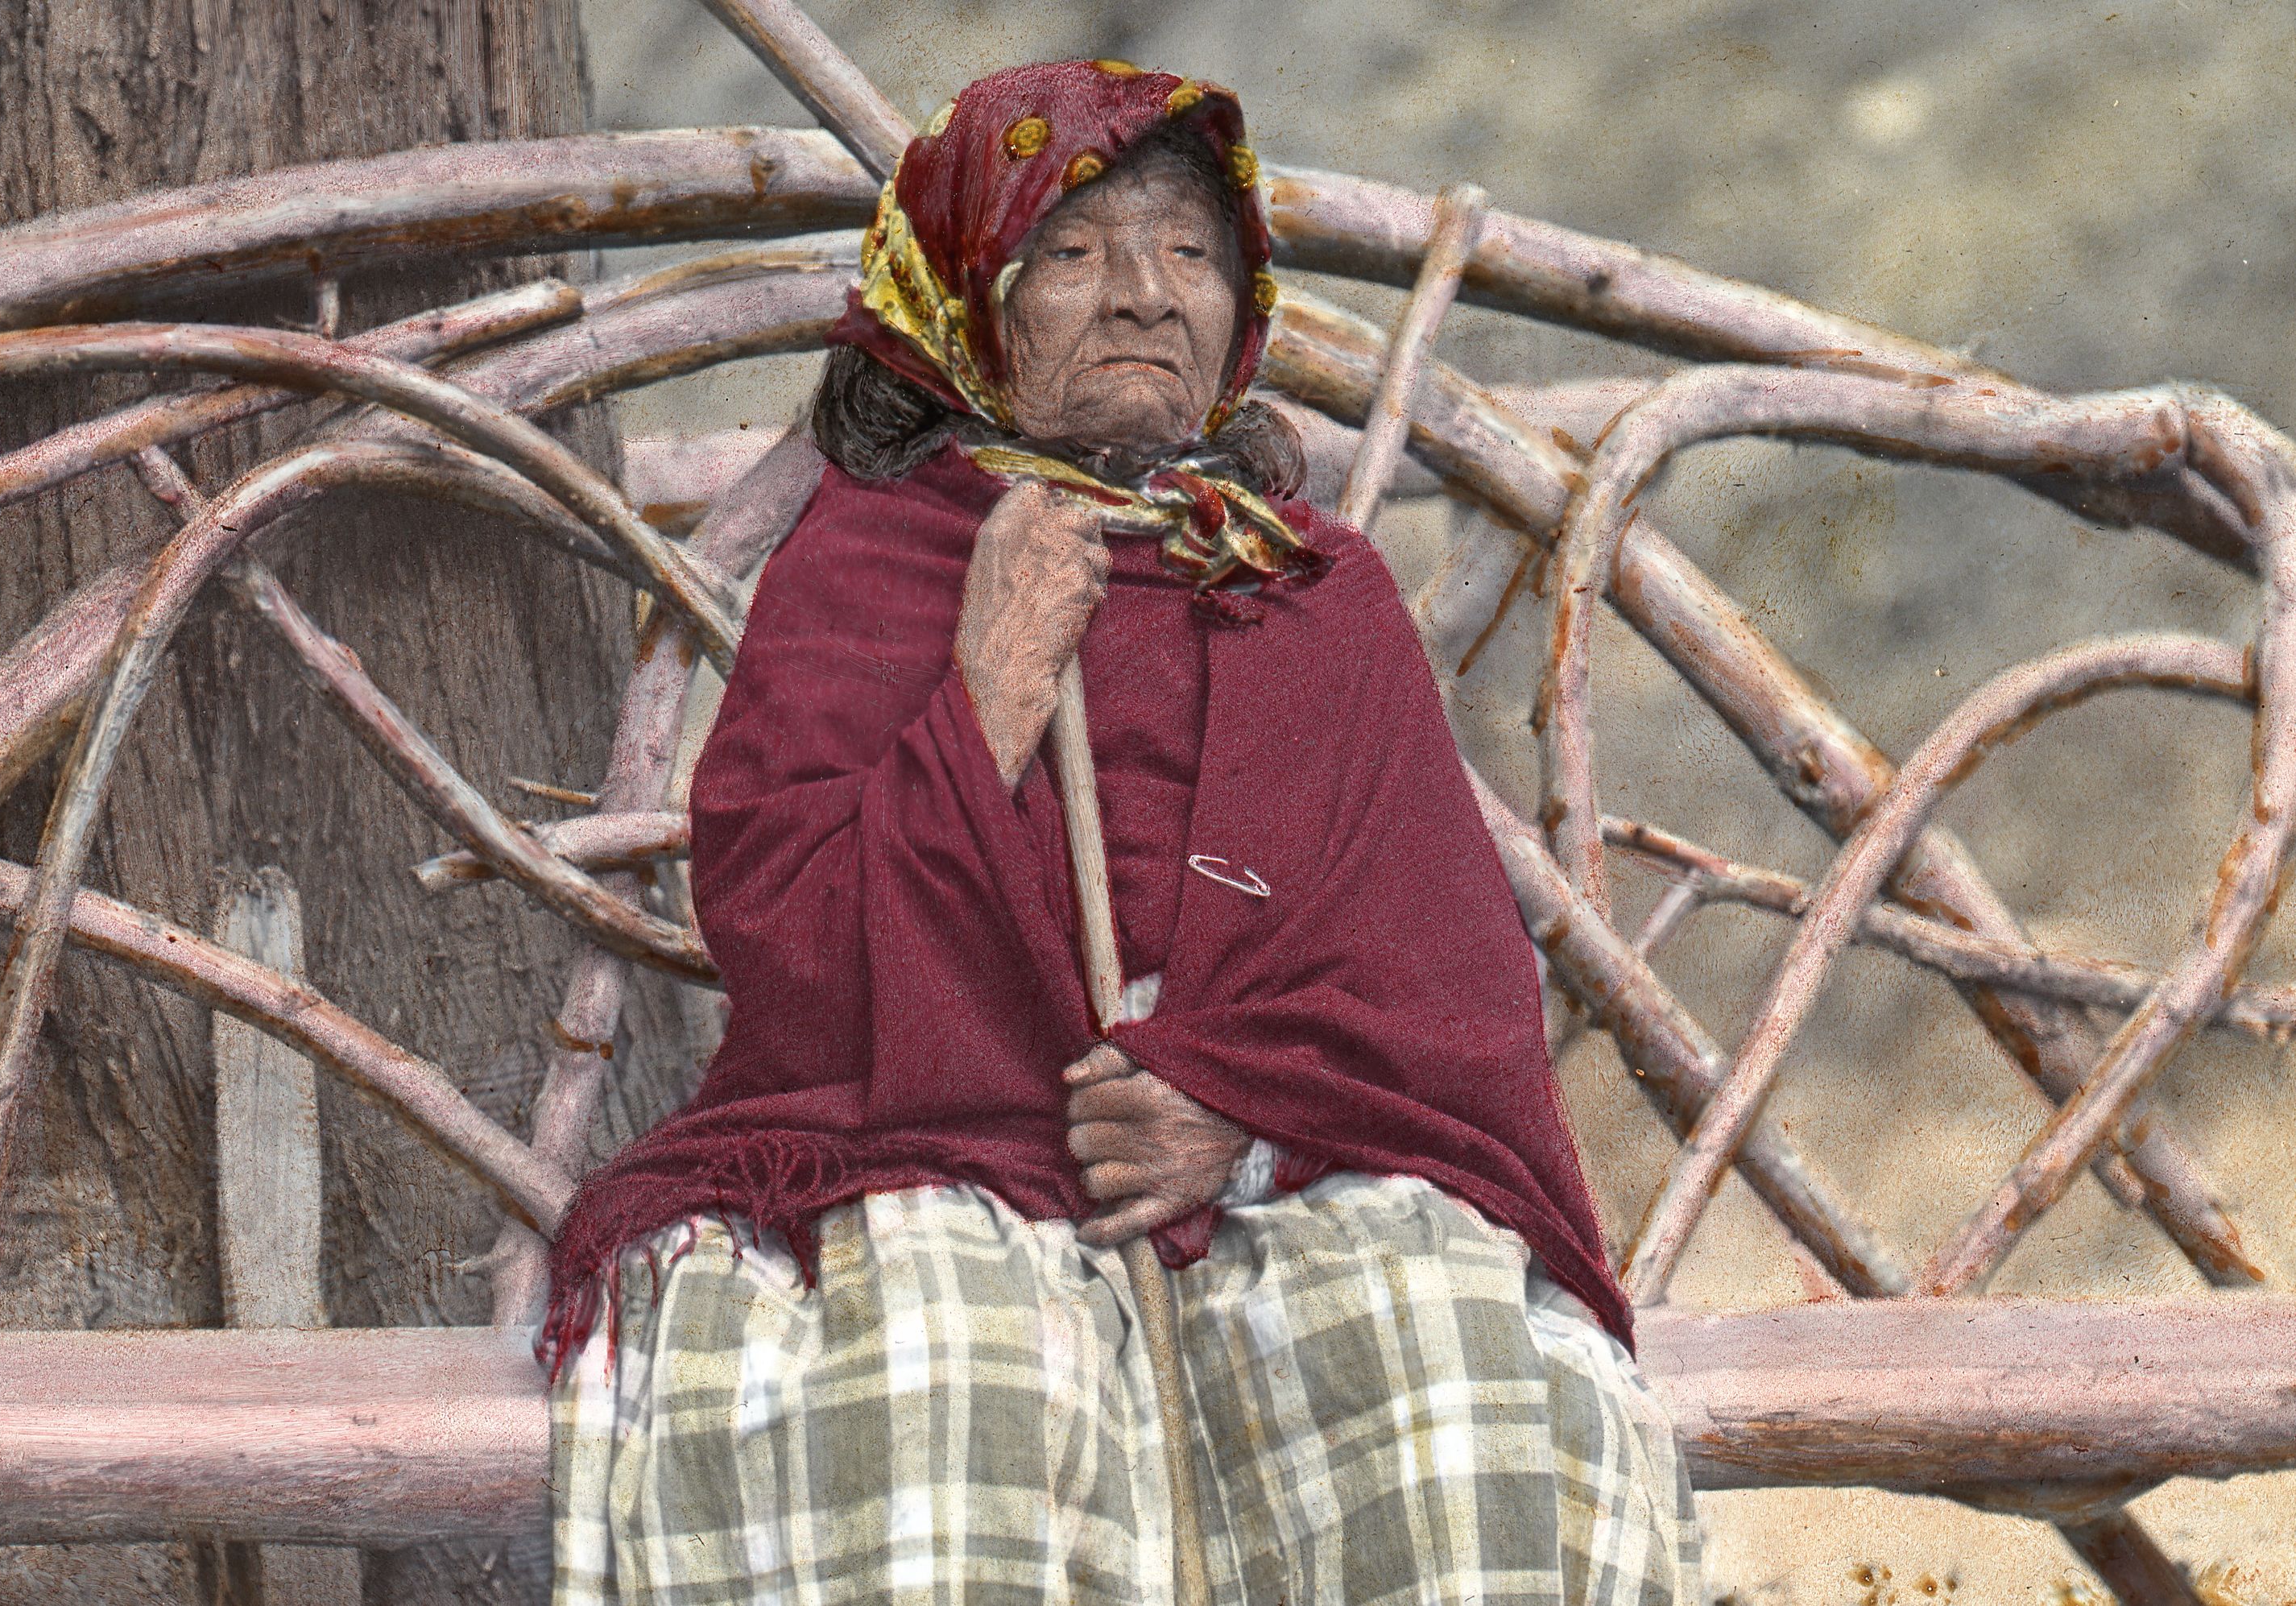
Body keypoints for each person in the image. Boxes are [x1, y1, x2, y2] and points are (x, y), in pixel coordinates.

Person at [543, 59, 1698, 1605]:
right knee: (948, 1385)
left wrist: (1241, 1117)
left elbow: (1447, 1001)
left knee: (1444, 1377)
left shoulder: (1311, 589)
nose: (1147, 299)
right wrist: (991, 684)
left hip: (1279, 1176)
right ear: (967, 305)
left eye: (1192, 253)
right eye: (1075, 254)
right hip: (932, 1152)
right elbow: (799, 971)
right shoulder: (868, 568)